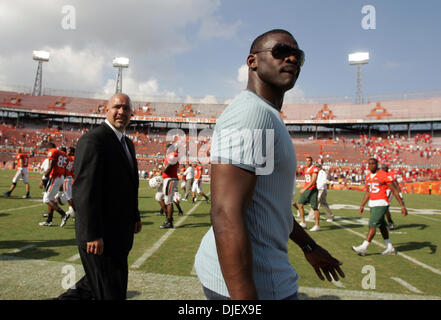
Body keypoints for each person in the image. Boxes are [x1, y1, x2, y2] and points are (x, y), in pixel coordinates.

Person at [194, 29, 344, 300]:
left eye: (297, 56)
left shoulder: (266, 114)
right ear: (252, 61)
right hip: (257, 283)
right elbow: (226, 213)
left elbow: (270, 206)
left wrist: (309, 246)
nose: (291, 59)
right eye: (280, 52)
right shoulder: (251, 113)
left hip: (261, 274)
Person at [57, 93, 142, 300]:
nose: (121, 112)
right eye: (117, 107)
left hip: (119, 235)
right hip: (100, 236)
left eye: (126, 108)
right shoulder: (94, 139)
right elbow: (85, 190)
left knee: (92, 288)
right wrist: (92, 233)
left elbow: (128, 185)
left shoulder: (127, 144)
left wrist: (135, 215)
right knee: (111, 292)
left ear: (131, 113)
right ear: (106, 110)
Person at [352, 158, 408, 256]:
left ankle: (363, 247)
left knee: (372, 225)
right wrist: (362, 205)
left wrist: (402, 206)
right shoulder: (368, 176)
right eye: (369, 164)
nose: (370, 166)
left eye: (373, 164)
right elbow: (368, 192)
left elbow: (394, 190)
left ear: (377, 164)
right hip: (373, 203)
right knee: (382, 226)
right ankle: (389, 247)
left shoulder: (383, 174)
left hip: (381, 203)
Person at [38, 143, 70, 227]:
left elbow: (51, 165)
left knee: (46, 199)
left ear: (50, 147)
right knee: (51, 199)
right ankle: (49, 220)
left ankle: (63, 214)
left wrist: (44, 177)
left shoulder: (53, 151)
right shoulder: (64, 154)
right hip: (61, 177)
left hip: (55, 177)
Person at [297, 156, 321, 231]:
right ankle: (303, 222)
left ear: (311, 162)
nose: (307, 162)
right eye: (306, 161)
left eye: (309, 161)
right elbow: (307, 180)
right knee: (300, 204)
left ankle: (317, 225)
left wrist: (305, 188)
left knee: (314, 207)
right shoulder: (306, 168)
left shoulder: (314, 168)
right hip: (306, 189)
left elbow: (313, 181)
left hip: (312, 190)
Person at [159, 143, 180, 229]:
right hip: (168, 179)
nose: (166, 150)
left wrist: (161, 167)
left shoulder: (173, 155)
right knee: (160, 198)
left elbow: (167, 170)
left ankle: (169, 221)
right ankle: (168, 218)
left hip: (170, 179)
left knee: (168, 201)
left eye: (167, 149)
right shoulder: (170, 156)